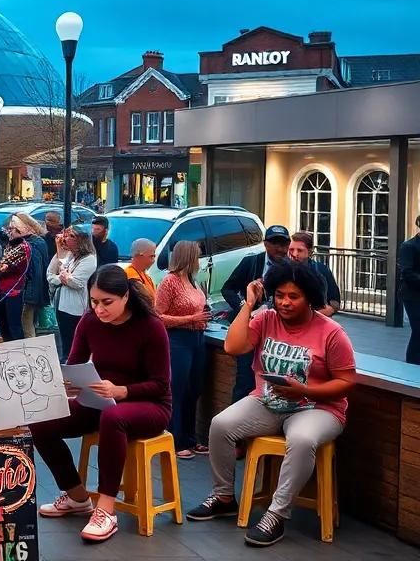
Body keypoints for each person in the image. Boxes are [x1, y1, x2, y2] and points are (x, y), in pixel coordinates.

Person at [188, 261, 356, 547]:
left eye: (294, 296)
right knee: (221, 425)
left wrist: (305, 391)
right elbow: (233, 347)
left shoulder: (331, 332)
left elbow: (347, 381)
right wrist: (248, 305)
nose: (285, 302)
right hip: (268, 401)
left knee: (302, 440)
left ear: (309, 298)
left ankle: (276, 514)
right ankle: (224, 497)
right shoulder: (266, 319)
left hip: (318, 408)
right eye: (279, 295)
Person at [31, 265, 172, 543]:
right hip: (100, 400)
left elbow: (160, 385)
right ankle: (77, 497)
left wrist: (122, 391)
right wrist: (69, 384)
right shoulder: (89, 322)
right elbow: (74, 364)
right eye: (94, 302)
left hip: (150, 405)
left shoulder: (151, 327)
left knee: (113, 417)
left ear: (126, 296)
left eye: (107, 302)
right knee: (41, 420)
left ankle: (106, 510)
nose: (99, 309)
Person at [155, 240, 212, 458]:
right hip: (178, 340)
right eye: (197, 256)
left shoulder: (193, 280)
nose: (199, 260)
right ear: (188, 257)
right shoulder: (169, 282)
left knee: (193, 390)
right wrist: (191, 318)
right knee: (177, 389)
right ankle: (174, 439)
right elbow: (158, 317)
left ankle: (190, 438)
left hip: (198, 338)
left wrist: (204, 315)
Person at [222, 225, 292, 403]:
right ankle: (236, 417)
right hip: (251, 330)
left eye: (284, 244)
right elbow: (228, 288)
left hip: (278, 335)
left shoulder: (292, 268)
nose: (280, 248)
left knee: (275, 383)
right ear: (265, 244)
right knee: (244, 380)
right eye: (275, 244)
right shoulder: (251, 262)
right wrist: (245, 308)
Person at [47, 226, 98, 361]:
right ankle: (66, 364)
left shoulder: (89, 259)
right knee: (64, 342)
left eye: (71, 236)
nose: (66, 239)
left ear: (82, 240)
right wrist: (60, 256)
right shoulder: (68, 255)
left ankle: (72, 367)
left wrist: (63, 276)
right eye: (67, 235)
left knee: (72, 344)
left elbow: (76, 283)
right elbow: (50, 274)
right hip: (60, 305)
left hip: (74, 308)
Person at [0, 214, 35, 341]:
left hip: (14, 290)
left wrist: (5, 267)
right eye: (8, 229)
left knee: (14, 326)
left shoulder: (23, 246)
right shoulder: (11, 244)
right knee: (2, 324)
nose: (9, 232)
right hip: (2, 288)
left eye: (11, 229)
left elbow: (15, 266)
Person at [287, 232, 340, 316]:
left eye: (300, 250)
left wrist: (326, 311)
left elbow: (335, 303)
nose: (294, 254)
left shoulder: (321, 270)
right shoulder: (281, 271)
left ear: (309, 252)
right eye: (291, 250)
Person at [400, 215, 420, 364]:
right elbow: (407, 272)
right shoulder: (408, 246)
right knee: (418, 331)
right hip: (412, 296)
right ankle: (412, 365)